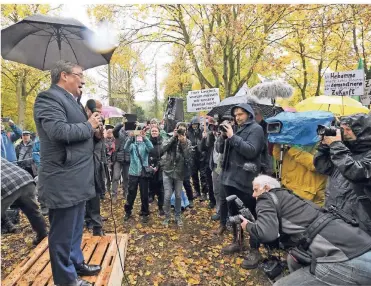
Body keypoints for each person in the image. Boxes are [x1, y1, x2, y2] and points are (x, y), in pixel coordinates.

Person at [34, 60, 101, 286]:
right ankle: (66, 280)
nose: (82, 79)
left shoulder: (74, 101)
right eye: (79, 74)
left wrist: (95, 132)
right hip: (62, 178)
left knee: (75, 228)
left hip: (78, 177)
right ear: (64, 76)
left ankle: (76, 263)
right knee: (62, 234)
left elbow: (80, 134)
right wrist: (88, 126)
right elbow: (59, 131)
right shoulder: (48, 98)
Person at [240, 175, 371, 286]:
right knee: (293, 258)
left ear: (267, 188)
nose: (253, 194)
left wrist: (249, 226)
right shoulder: (292, 197)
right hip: (362, 245)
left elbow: (267, 234)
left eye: (256, 190)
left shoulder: (266, 198)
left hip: (349, 260)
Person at [216, 103, 265, 269]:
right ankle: (237, 242)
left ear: (249, 114)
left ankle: (254, 250)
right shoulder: (235, 129)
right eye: (235, 115)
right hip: (229, 178)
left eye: (241, 114)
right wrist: (222, 137)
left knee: (250, 215)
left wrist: (232, 137)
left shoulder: (256, 129)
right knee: (234, 213)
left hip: (246, 180)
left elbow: (251, 151)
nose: (237, 117)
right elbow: (221, 150)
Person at [314, 113, 371, 235]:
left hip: (361, 221)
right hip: (335, 213)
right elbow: (323, 167)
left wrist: (336, 145)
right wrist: (324, 147)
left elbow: (357, 172)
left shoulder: (365, 154)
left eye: (348, 129)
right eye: (342, 128)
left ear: (363, 133)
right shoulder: (344, 150)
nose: (343, 132)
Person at [1, 158, 48, 245]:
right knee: (33, 211)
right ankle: (43, 235)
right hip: (25, 179)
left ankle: (9, 225)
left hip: (4, 186)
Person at [161, 122, 192, 227]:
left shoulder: (187, 142)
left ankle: (178, 216)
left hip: (179, 172)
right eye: (179, 129)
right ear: (176, 129)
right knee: (167, 195)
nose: (181, 132)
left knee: (178, 195)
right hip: (167, 170)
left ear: (186, 131)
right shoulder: (170, 136)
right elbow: (163, 148)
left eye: (183, 130)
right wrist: (173, 137)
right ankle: (167, 217)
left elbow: (188, 156)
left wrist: (183, 143)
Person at [84, 99, 105, 236]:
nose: (99, 114)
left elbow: (96, 141)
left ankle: (97, 226)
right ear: (89, 110)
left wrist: (99, 133)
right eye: (97, 111)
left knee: (95, 195)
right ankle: (87, 220)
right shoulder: (80, 120)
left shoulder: (97, 121)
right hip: (81, 164)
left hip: (95, 164)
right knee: (84, 196)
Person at [123, 128, 153, 223]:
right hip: (133, 173)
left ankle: (145, 212)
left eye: (141, 133)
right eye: (138, 134)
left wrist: (145, 138)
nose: (139, 135)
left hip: (143, 173)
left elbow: (151, 148)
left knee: (144, 194)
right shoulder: (132, 145)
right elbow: (126, 148)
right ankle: (128, 211)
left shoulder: (145, 144)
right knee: (131, 193)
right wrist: (130, 138)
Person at [112, 121, 131, 202]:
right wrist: (121, 123)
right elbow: (114, 130)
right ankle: (114, 195)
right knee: (116, 177)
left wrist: (137, 126)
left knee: (126, 178)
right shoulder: (118, 133)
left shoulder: (132, 133)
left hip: (127, 159)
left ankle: (126, 193)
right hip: (118, 159)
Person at [148, 126, 165, 215]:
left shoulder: (162, 142)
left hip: (160, 168)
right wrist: (149, 166)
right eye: (152, 131)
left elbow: (164, 156)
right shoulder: (147, 142)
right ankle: (151, 196)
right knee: (151, 185)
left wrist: (158, 166)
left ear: (159, 132)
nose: (154, 132)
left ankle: (161, 207)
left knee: (161, 189)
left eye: (156, 131)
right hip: (150, 167)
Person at [104, 127, 115, 196]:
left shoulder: (115, 140)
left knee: (114, 176)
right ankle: (107, 189)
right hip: (106, 161)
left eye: (111, 132)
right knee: (107, 176)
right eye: (108, 132)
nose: (109, 134)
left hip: (114, 160)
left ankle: (113, 189)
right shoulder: (104, 140)